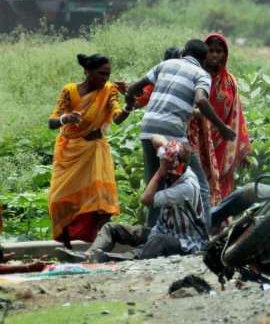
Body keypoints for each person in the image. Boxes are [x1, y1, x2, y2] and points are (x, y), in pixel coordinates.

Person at [126, 39, 237, 230]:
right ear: (203, 59)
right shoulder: (201, 74)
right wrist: (222, 127)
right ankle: (204, 235)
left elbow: (133, 88)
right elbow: (201, 100)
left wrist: (128, 103)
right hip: (173, 134)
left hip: (148, 129)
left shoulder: (165, 64)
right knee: (202, 185)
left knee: (155, 183)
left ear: (184, 51)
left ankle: (152, 236)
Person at [58, 137, 207, 263]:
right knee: (111, 228)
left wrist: (161, 172)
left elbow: (145, 199)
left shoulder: (186, 187)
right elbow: (155, 137)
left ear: (173, 169)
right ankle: (90, 255)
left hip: (184, 241)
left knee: (157, 242)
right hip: (161, 231)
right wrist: (167, 147)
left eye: (164, 167)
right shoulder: (179, 167)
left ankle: (107, 258)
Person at [48, 54, 132, 248]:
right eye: (101, 74)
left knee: (103, 202)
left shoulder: (109, 91)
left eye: (108, 74)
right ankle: (67, 246)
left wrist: (129, 103)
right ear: (87, 71)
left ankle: (101, 246)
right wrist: (66, 118)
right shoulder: (70, 91)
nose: (105, 78)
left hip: (96, 151)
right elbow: (52, 121)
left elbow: (117, 117)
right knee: (59, 200)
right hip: (70, 152)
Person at [187, 33, 251, 206]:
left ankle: (220, 225)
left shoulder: (230, 82)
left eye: (219, 51)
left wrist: (240, 149)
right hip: (198, 138)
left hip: (222, 142)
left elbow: (237, 114)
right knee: (198, 183)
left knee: (221, 185)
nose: (214, 55)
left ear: (225, 54)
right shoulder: (196, 77)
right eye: (211, 51)